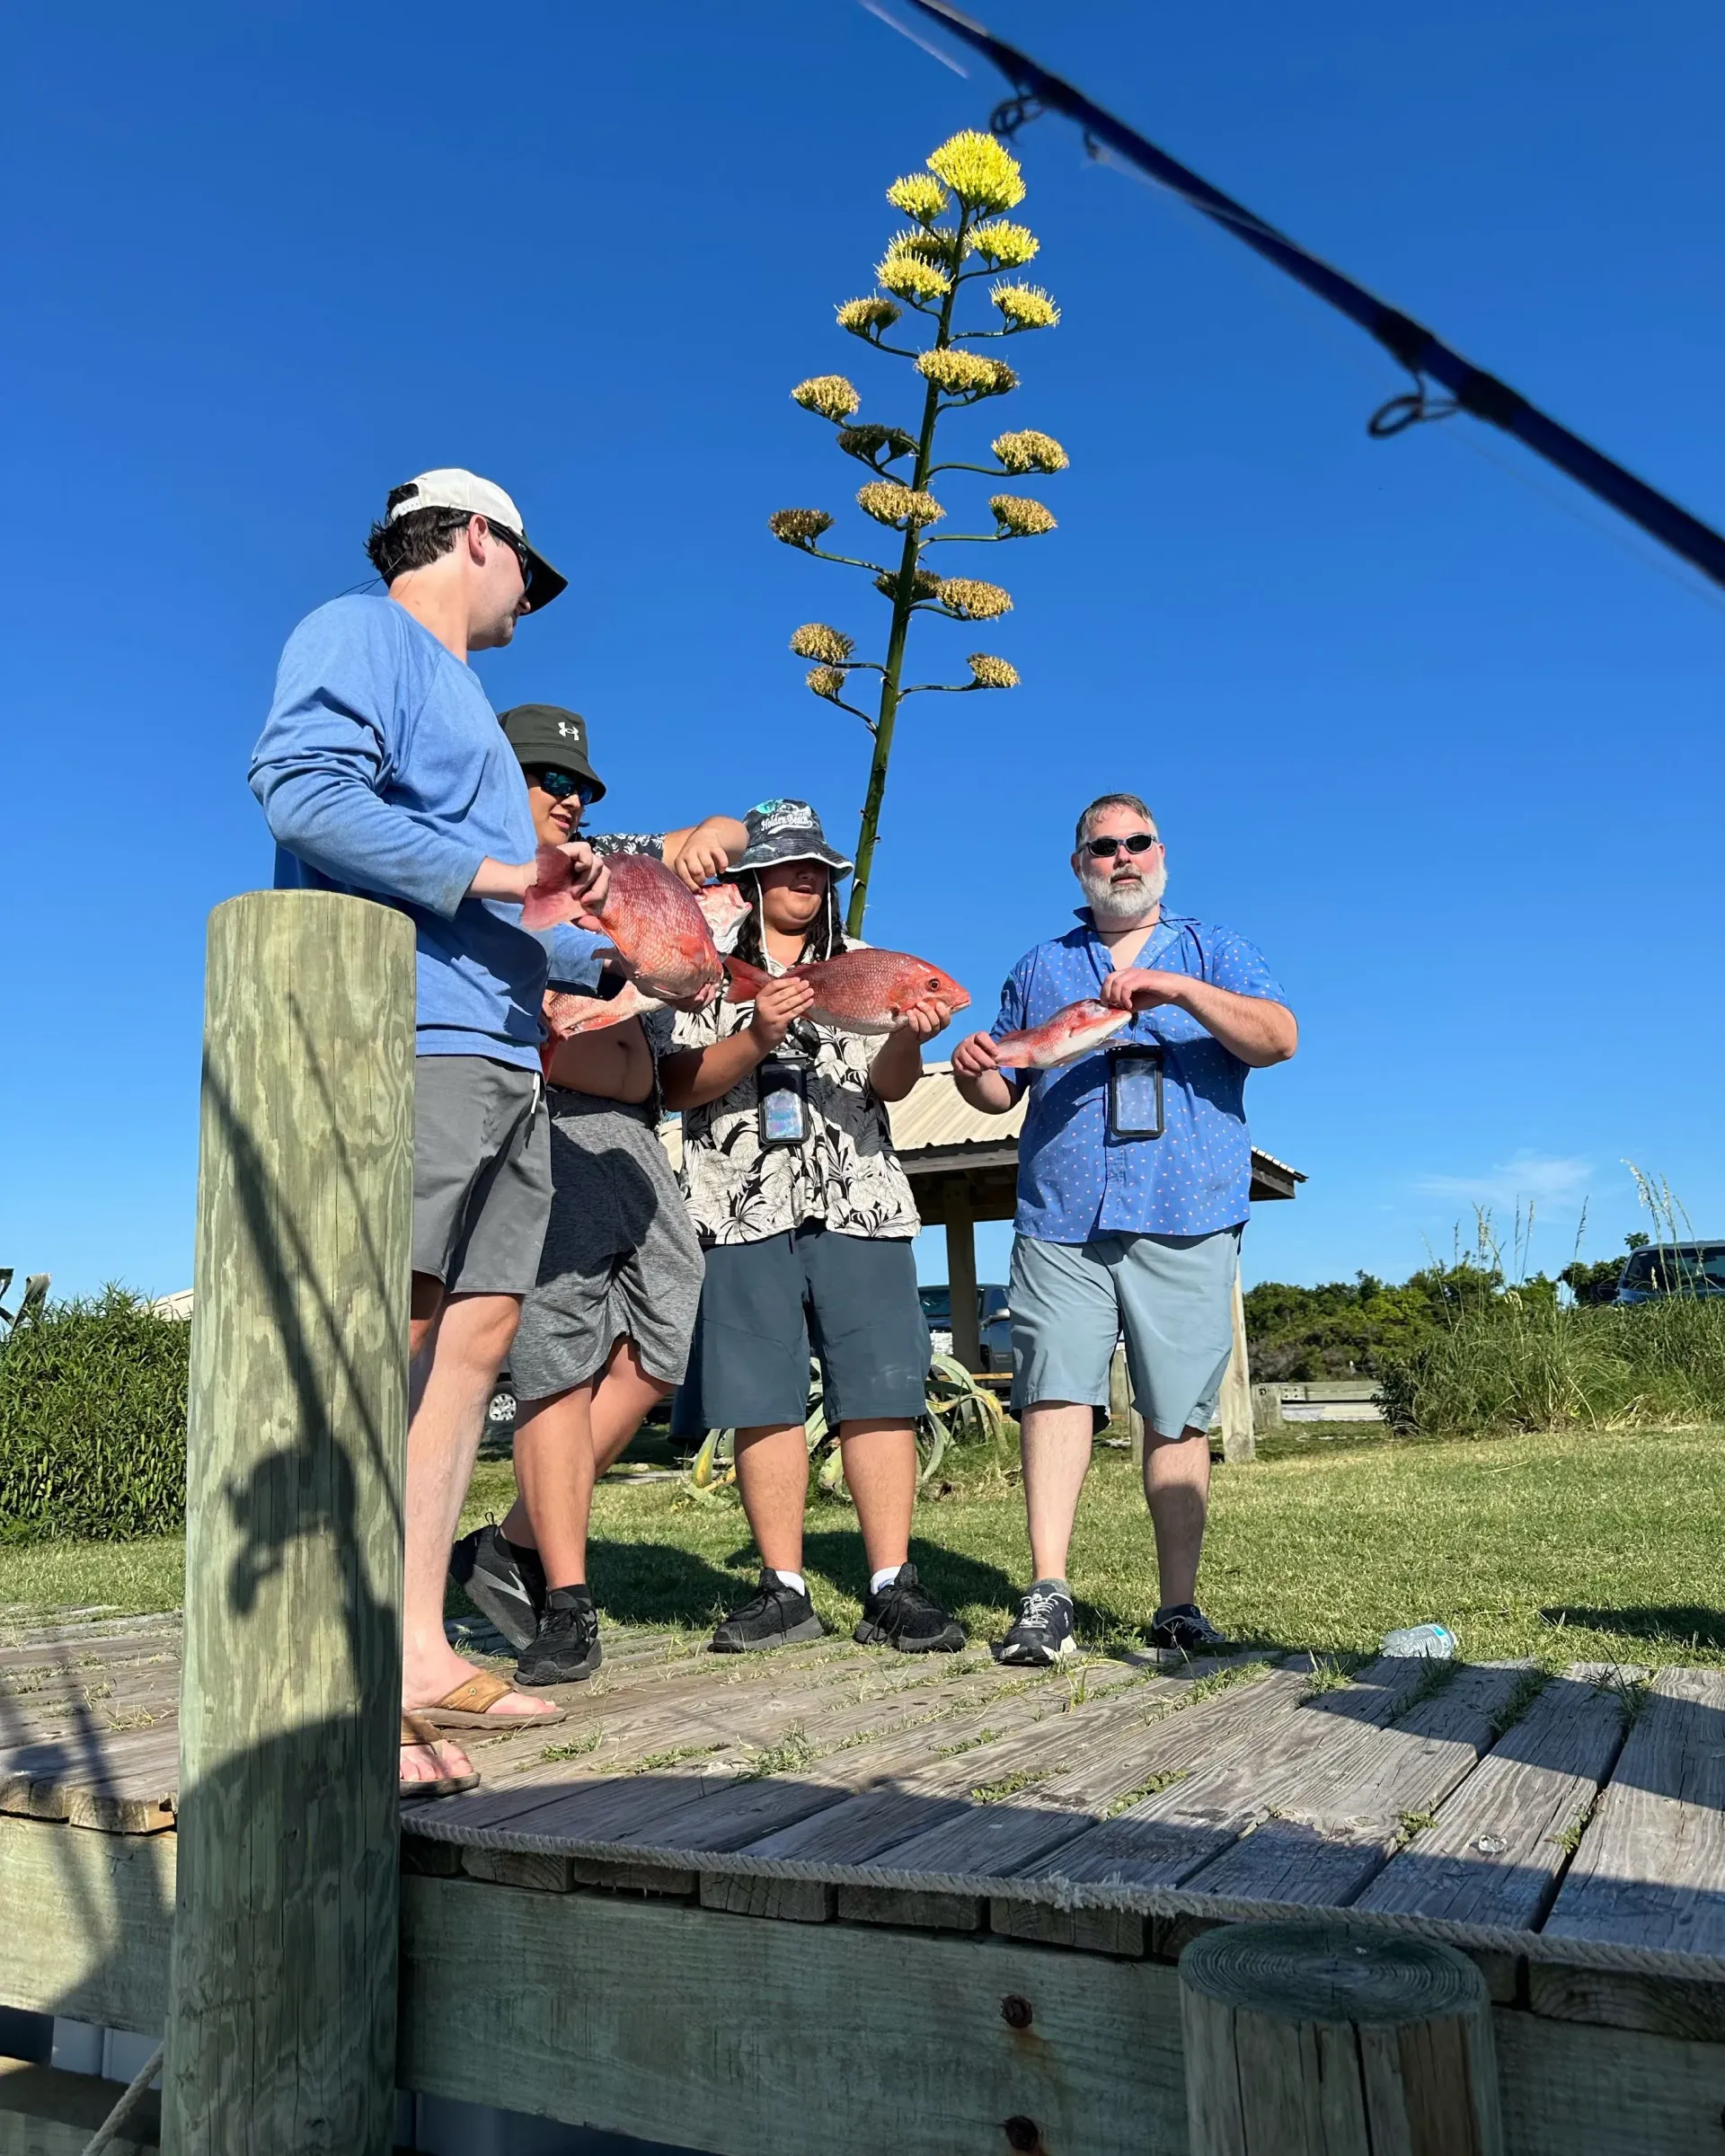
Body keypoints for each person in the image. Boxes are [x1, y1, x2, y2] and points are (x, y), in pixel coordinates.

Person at [249, 471, 612, 1797]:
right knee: (387, 1334)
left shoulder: (458, 692)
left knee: (477, 1340)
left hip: (507, 1047)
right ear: (477, 539)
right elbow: (301, 795)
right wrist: (510, 871)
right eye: (532, 566)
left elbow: (497, 896)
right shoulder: (362, 632)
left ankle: (409, 1644)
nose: (534, 593)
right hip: (409, 1035)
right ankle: (331, 1671)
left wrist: (606, 950)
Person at [951, 793, 1296, 1662]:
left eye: (1136, 843)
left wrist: (1177, 989)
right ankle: (1047, 1594)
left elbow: (1279, 1038)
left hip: (1186, 1213)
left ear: (1162, 854)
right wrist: (974, 1072)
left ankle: (1177, 1607)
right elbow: (1003, 1086)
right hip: (1062, 1216)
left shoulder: (1213, 949)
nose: (1121, 858)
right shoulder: (1039, 966)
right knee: (1054, 1392)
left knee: (1176, 1413)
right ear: (1079, 867)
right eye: (1102, 848)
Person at [450, 704, 748, 1684]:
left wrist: (712, 846)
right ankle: (566, 1602)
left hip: (636, 1134)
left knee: (665, 1341)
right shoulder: (476, 867)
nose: (570, 798)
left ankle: (513, 1543)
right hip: (550, 1121)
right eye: (550, 780)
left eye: (580, 785)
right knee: (555, 1359)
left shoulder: (602, 857)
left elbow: (723, 836)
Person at [659, 800, 966, 1655]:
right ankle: (783, 1588)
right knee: (760, 1399)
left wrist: (912, 1034)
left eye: (818, 866)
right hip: (736, 1202)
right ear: (753, 875)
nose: (804, 876)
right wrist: (758, 1035)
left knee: (881, 1391)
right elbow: (678, 1085)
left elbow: (892, 1086)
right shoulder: (704, 966)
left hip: (860, 1197)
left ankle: (890, 1583)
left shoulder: (873, 964)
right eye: (786, 863)